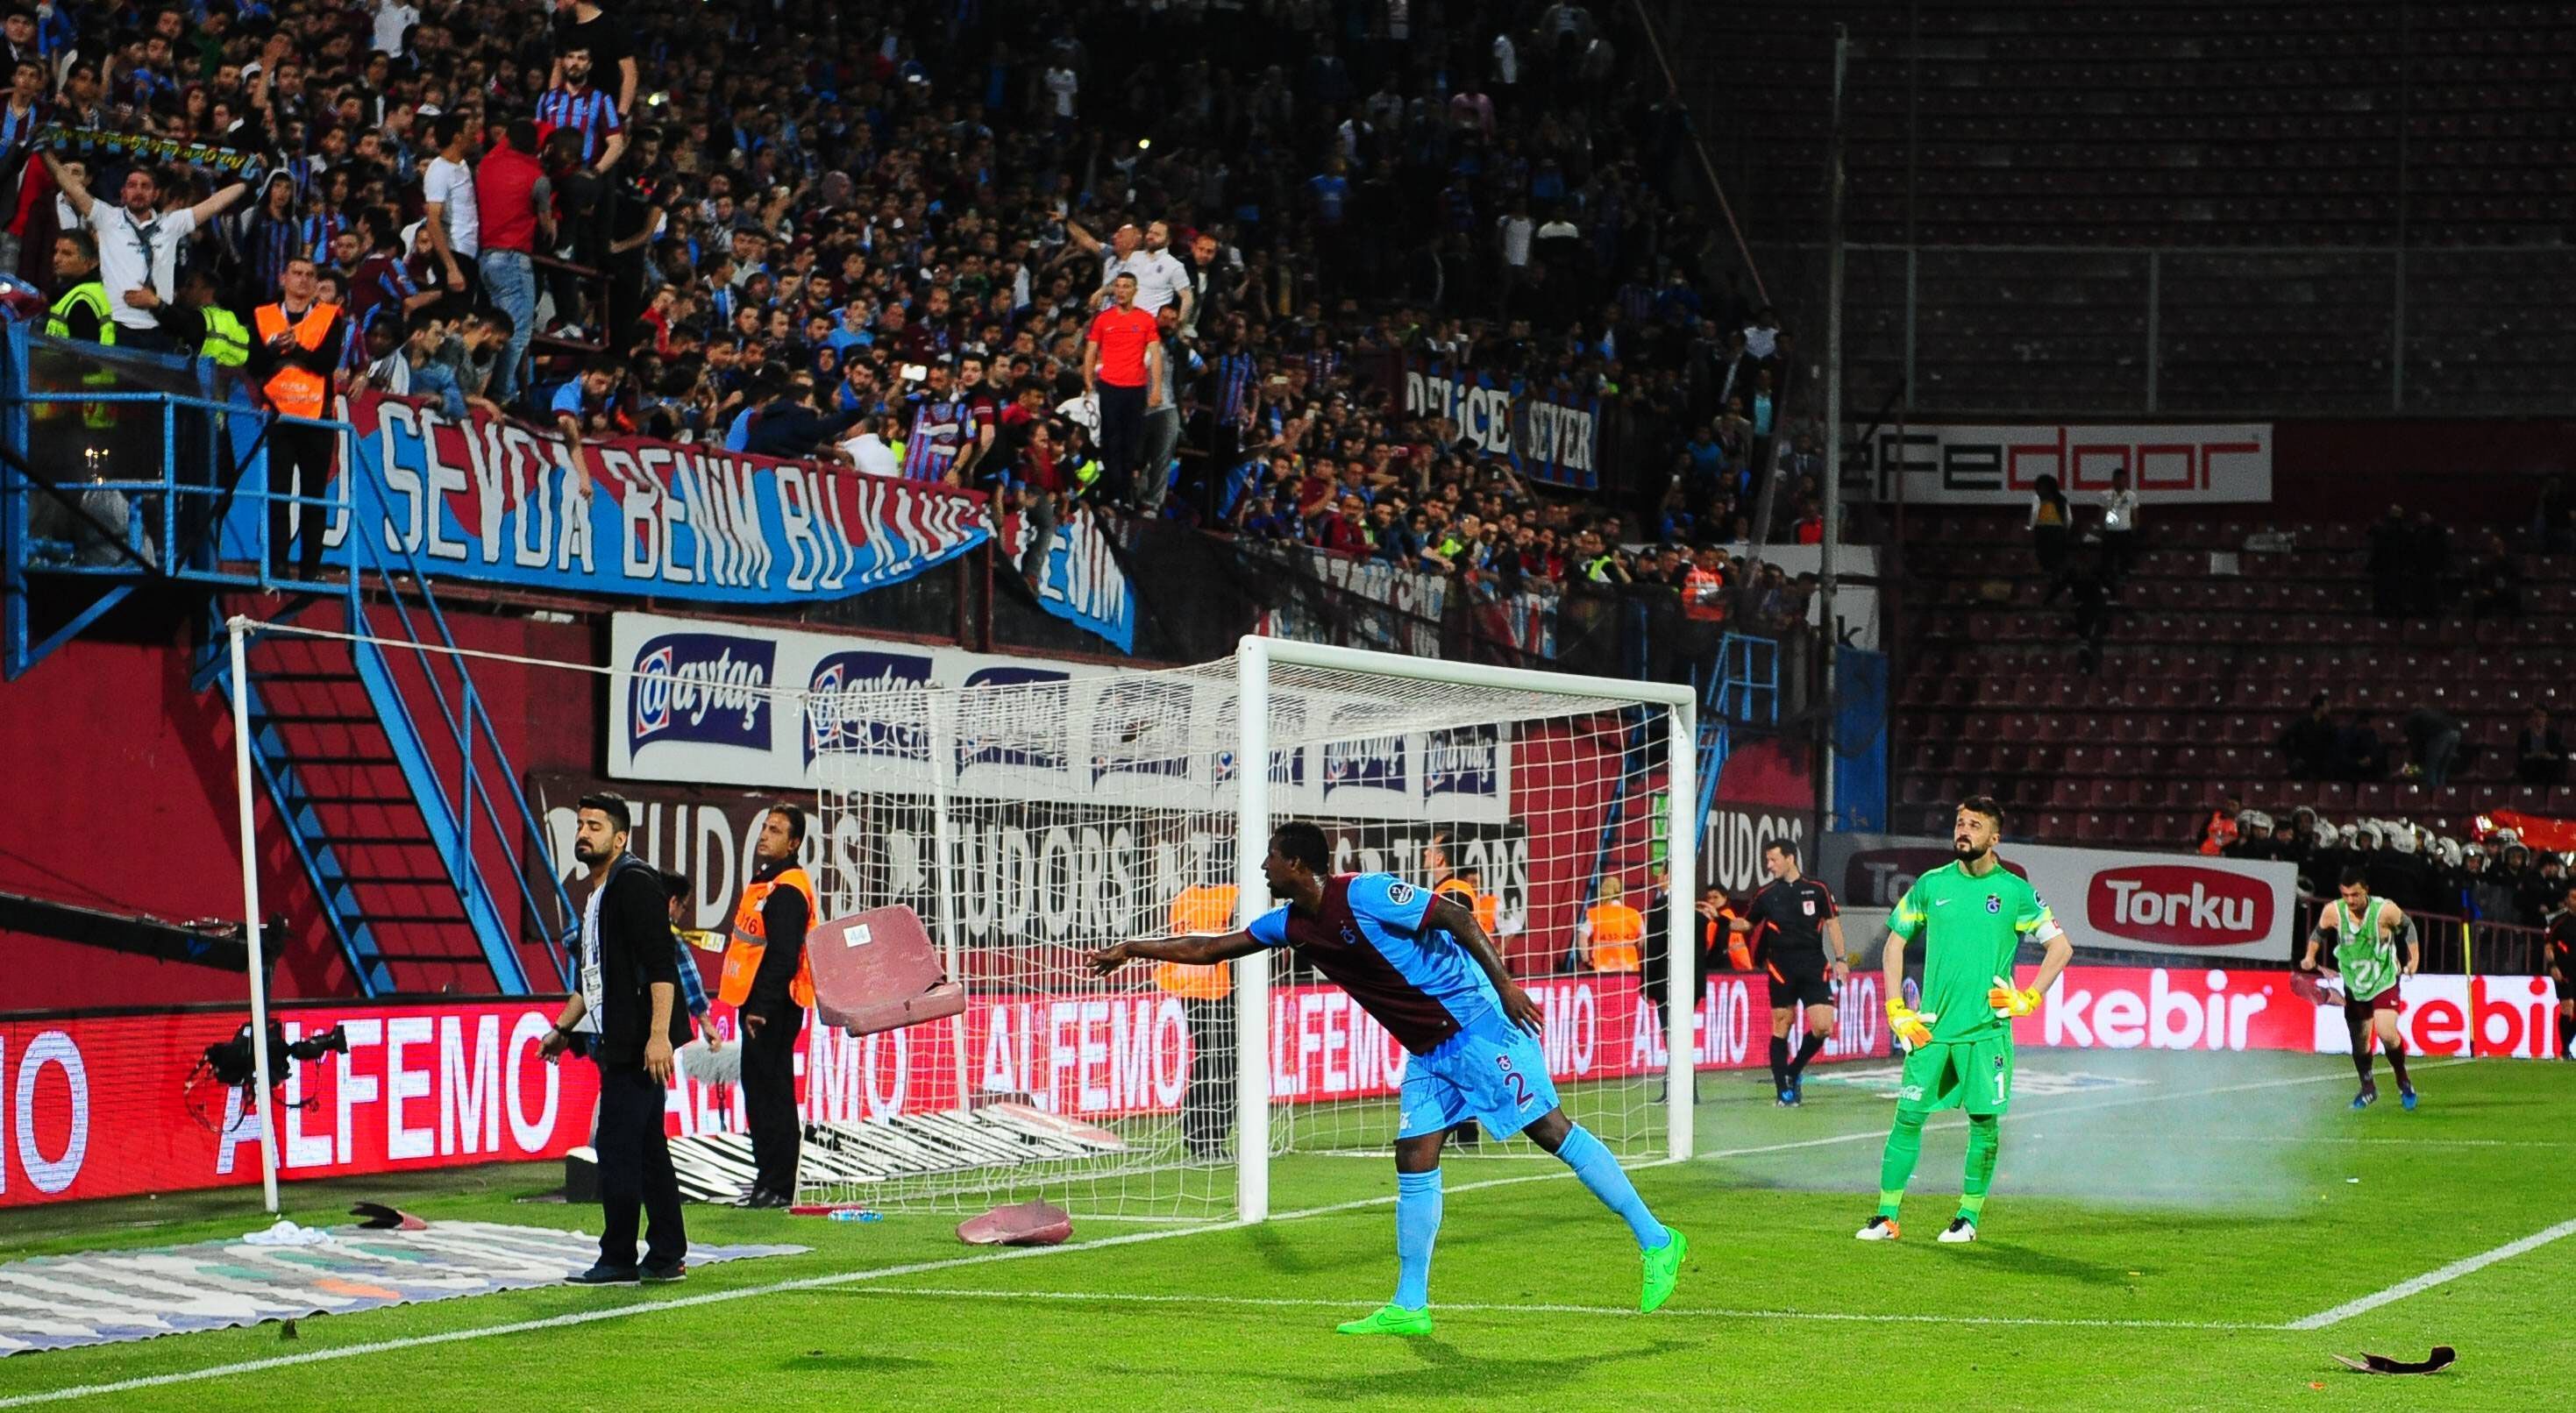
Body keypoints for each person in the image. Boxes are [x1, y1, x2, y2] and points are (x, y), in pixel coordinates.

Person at [1089, 822, 1689, 1335]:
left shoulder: (1368, 893)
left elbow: (1454, 916)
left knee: (1551, 1132)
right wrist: (1134, 948)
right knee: (1414, 1155)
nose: (1263, 865)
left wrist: (1505, 986)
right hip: (1430, 1049)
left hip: (1475, 1024)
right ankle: (1409, 1305)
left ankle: (1658, 1240)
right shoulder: (1290, 924)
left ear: (1295, 863)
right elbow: (1215, 948)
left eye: (1271, 855)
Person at [1859, 798, 2074, 1244]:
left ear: (1994, 838)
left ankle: (1967, 1218)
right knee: (1908, 1118)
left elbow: (2061, 948)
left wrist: (2029, 998)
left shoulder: (2015, 891)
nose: (1963, 831)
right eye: (1960, 823)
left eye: (1975, 825)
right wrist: (1895, 1008)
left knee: (1983, 1124)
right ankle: (1886, 1217)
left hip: (1986, 1032)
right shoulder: (1930, 885)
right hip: (1931, 1028)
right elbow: (1893, 945)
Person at [540, 792, 692, 1282]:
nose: (583, 833)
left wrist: (658, 1036)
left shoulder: (634, 883)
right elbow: (594, 978)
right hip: (621, 1039)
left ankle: (618, 1257)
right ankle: (667, 1252)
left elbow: (661, 964)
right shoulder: (599, 893)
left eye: (596, 826)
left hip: (638, 1042)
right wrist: (564, 1028)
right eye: (580, 824)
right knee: (646, 1148)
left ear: (620, 838)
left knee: (618, 1146)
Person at [41, 147, 248, 352]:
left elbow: (214, 203)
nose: (138, 191)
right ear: (123, 193)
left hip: (161, 329)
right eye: (132, 185)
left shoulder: (172, 223)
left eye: (145, 186)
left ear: (156, 194)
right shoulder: (108, 218)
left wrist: (246, 181)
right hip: (119, 329)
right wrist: (45, 152)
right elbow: (72, 188)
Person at [717, 803, 815, 1207]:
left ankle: (777, 1184)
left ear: (793, 843)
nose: (764, 835)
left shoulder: (788, 889)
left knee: (771, 1093)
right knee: (761, 1091)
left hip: (772, 1007)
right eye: (764, 827)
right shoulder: (767, 882)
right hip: (758, 1003)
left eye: (775, 830)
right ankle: (768, 1179)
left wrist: (762, 1007)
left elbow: (783, 955)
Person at [246, 256, 346, 583]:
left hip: (316, 418)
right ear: (283, 278)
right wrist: (277, 348)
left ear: (317, 283)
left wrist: (295, 348)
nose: (302, 280)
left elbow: (325, 362)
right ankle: (277, 565)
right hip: (278, 416)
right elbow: (255, 364)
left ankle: (310, 569)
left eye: (309, 275)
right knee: (278, 495)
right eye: (297, 273)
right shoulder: (264, 315)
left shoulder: (330, 316)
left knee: (314, 496)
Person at [1731, 839, 1848, 1107]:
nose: (1769, 866)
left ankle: (1793, 1072)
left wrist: (1841, 959)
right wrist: (1722, 919)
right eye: (1768, 861)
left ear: (1790, 859)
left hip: (1814, 966)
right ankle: (1783, 1089)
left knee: (1822, 1027)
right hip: (1781, 969)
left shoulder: (1817, 889)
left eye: (1773, 860)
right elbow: (1747, 924)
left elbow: (1833, 926)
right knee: (1782, 1025)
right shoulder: (1766, 894)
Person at [2301, 867, 2419, 1110]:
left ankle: (2403, 1080)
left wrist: (2413, 959)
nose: (2350, 900)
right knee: (2360, 1043)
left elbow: (2408, 927)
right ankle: (2368, 1088)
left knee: (2387, 1033)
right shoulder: (2334, 911)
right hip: (2354, 983)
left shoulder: (2384, 910)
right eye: (2345, 895)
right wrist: (2309, 956)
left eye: (2355, 895)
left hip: (2384, 979)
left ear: (2366, 890)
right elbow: (2318, 933)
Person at [1161, 872, 1238, 1159]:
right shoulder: (1233, 896)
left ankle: (1196, 1134)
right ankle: (1212, 1137)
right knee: (1224, 1063)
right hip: (1220, 990)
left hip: (1188, 990)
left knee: (1206, 1061)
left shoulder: (1183, 899)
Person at [1082, 271, 1161, 507]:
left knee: (1131, 443)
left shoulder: (1146, 320)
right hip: (1108, 386)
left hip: (1135, 389)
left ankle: (1125, 495)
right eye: (1118, 286)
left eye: (1127, 286)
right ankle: (1109, 493)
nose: (1121, 290)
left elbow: (1155, 355)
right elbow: (1090, 351)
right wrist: (1087, 381)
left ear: (1135, 290)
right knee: (1109, 440)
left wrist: (1156, 389)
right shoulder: (1103, 319)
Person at [1579, 873, 1643, 973]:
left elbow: (1582, 936)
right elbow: (1643, 939)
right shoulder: (1634, 914)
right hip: (1629, 969)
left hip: (1603, 969)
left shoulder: (1596, 914)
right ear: (1621, 893)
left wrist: (1586, 960)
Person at [2546, 883, 2576, 1061]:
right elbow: (2549, 946)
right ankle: (2564, 1051)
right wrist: (2552, 966)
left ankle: (2566, 1049)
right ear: (2566, 901)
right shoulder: (2559, 922)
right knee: (2568, 1009)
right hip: (2564, 971)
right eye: (2573, 897)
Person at [2517, 708, 2566, 786]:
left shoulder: (2553, 735)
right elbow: (2522, 755)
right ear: (2531, 718)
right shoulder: (2524, 735)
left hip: (2549, 767)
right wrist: (2536, 755)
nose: (2539, 719)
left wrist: (2549, 756)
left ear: (2546, 719)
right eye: (2536, 715)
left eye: (2542, 716)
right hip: (2530, 767)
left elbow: (2559, 754)